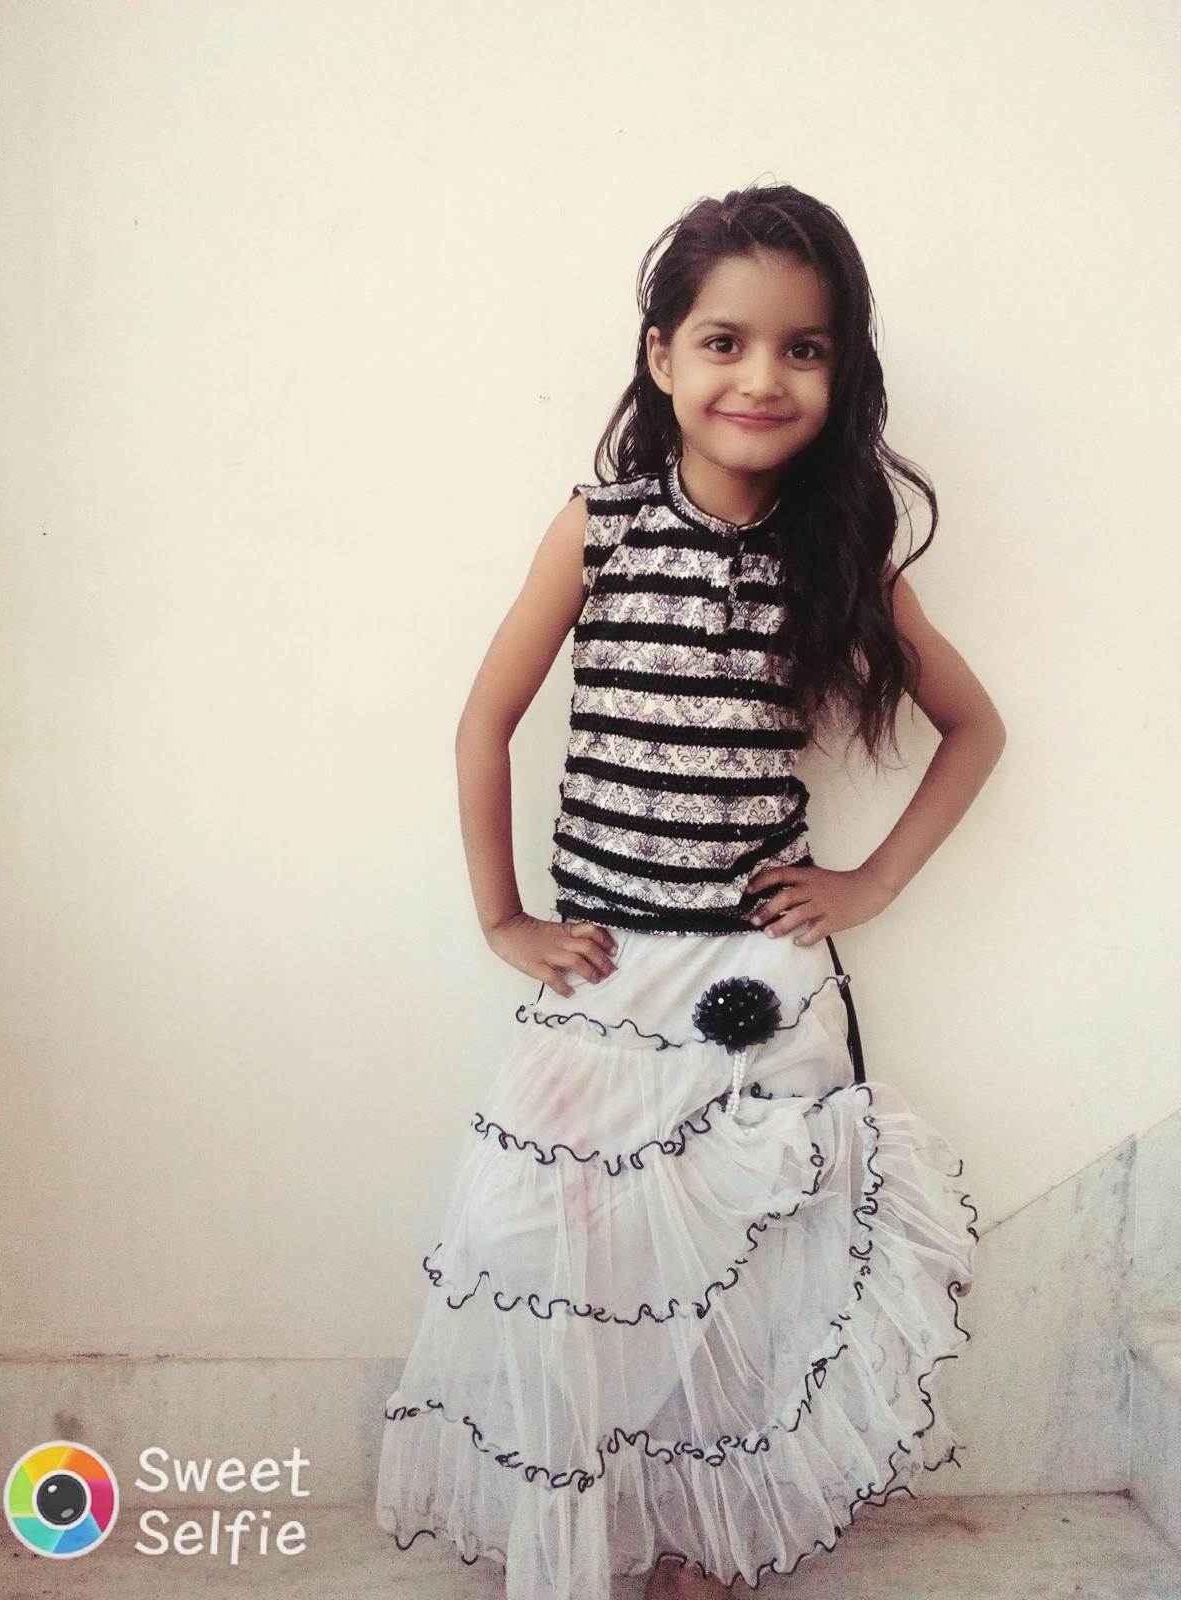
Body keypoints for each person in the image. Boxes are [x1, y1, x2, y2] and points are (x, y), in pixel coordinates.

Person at [375, 183, 1005, 1600]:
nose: (762, 377)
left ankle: (703, 1548)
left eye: (804, 347)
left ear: (841, 371)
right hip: (607, 972)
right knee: (552, 1244)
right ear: (662, 356)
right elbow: (485, 722)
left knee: (749, 1274)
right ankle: (587, 1525)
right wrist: (502, 917)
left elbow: (977, 728)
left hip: (760, 980)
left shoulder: (840, 553)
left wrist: (870, 882)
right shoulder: (597, 526)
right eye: (725, 341)